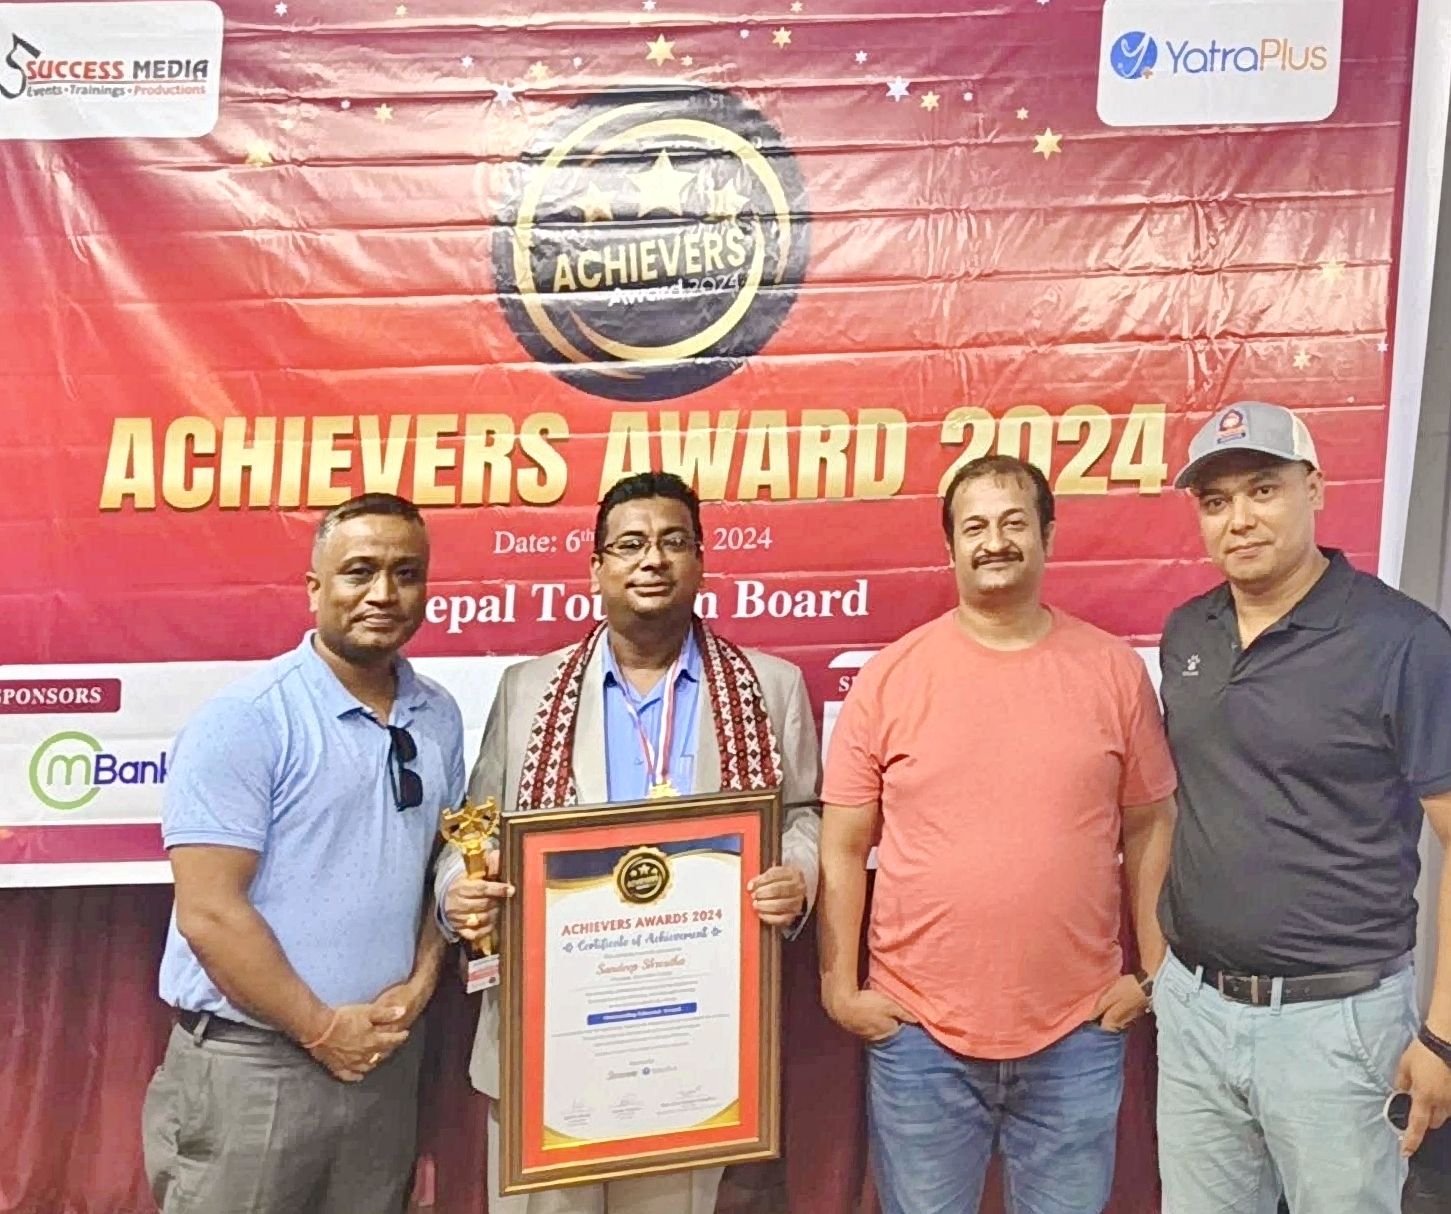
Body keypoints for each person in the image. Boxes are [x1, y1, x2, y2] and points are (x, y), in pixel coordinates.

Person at [436, 469, 822, 1214]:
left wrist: (797, 875)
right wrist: (460, 890)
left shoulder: (768, 688)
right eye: (631, 544)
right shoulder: (528, 690)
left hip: (693, 1034)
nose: (653, 559)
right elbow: (471, 829)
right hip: (547, 1035)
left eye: (674, 542)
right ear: (596, 569)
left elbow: (803, 813)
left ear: (700, 562)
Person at [817, 454, 1178, 1214]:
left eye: (1014, 523)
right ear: (948, 547)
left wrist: (1152, 970)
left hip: (1078, 1029)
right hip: (919, 1035)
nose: (994, 541)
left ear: (1048, 535)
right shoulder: (890, 678)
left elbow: (1151, 822)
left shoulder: (1114, 672)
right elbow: (843, 845)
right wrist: (838, 989)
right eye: (974, 526)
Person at [1154, 402, 1451, 1214]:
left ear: (1312, 489)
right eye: (1215, 501)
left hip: (1337, 1024)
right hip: (1194, 1011)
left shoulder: (1402, 641)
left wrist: (1441, 1034)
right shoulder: (1186, 633)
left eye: (1262, 489)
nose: (1239, 519)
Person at [142, 492, 464, 1214]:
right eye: (360, 571)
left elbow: (438, 867)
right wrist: (321, 1030)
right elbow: (209, 913)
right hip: (253, 1069)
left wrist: (419, 985)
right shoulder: (247, 720)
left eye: (406, 573)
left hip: (382, 1063)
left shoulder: (438, 715)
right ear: (315, 588)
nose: (383, 593)